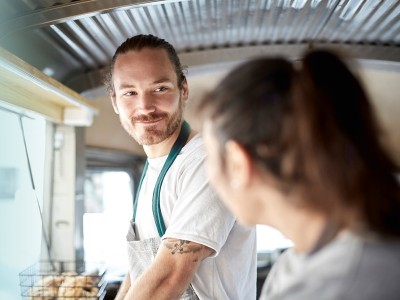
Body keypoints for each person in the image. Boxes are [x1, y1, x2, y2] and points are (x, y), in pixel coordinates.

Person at [197, 49, 400, 300]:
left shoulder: (339, 286)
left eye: (208, 154)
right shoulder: (297, 263)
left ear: (238, 162)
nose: (209, 172)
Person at [104, 34, 257, 300]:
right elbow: (142, 271)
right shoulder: (152, 170)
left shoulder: (207, 161)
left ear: (183, 90)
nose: (144, 106)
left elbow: (170, 274)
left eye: (160, 88)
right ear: (115, 102)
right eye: (130, 93)